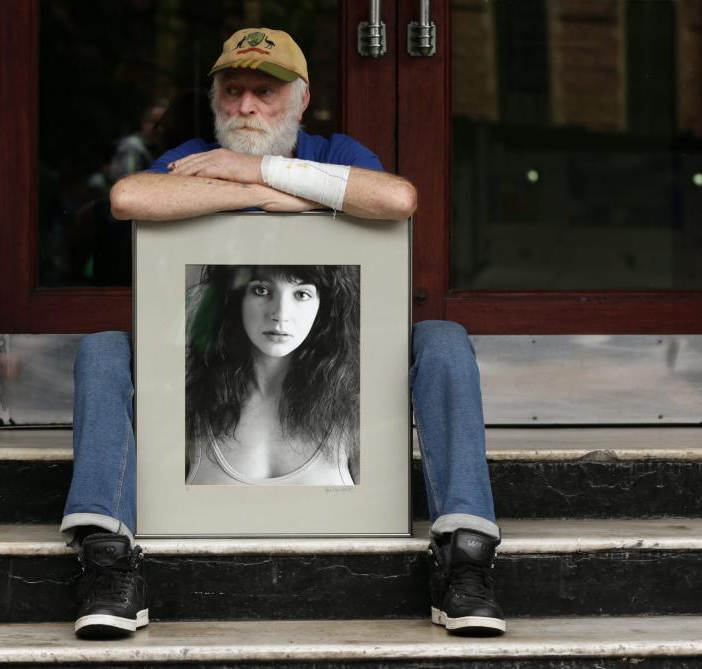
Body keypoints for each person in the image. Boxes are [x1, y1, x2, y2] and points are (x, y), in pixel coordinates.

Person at [63, 27, 505, 639]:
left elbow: (398, 198)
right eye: (233, 90)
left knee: (444, 339)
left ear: (300, 100)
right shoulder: (192, 155)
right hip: (203, 369)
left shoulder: (334, 149)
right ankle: (107, 560)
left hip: (347, 366)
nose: (246, 107)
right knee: (102, 349)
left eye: (265, 93)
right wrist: (285, 195)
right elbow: (129, 196)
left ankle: (465, 558)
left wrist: (253, 172)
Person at [185, 264, 360, 486]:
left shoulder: (355, 406)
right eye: (261, 290)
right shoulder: (187, 404)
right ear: (234, 298)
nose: (280, 315)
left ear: (324, 305)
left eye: (301, 294)